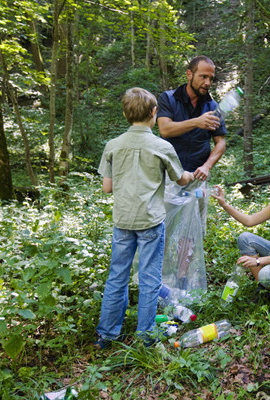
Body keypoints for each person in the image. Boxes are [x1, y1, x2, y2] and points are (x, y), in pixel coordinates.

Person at [95, 88, 194, 349]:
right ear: (153, 113)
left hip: (123, 221)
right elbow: (180, 178)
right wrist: (191, 176)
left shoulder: (113, 146)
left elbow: (107, 187)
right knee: (150, 278)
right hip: (150, 222)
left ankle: (106, 335)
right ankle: (146, 336)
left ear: (126, 114)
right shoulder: (162, 146)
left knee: (117, 276)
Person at [157, 55, 227, 290]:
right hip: (168, 175)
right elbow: (165, 129)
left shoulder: (213, 106)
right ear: (189, 74)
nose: (207, 82)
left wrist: (207, 166)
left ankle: (182, 276)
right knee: (163, 225)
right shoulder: (168, 98)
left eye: (211, 78)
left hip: (197, 180)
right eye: (203, 76)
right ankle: (159, 275)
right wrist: (197, 122)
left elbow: (220, 144)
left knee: (191, 228)